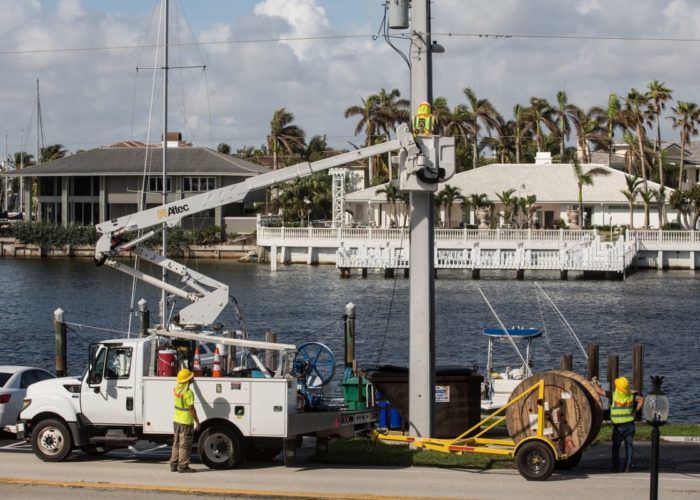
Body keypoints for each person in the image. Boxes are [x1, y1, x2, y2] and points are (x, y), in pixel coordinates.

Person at [595, 376, 644, 472]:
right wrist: (635, 411)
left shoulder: (614, 395)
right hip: (630, 424)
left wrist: (595, 382)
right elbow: (641, 400)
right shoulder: (631, 395)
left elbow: (599, 391)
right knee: (629, 446)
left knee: (616, 446)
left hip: (618, 426)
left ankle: (616, 466)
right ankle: (628, 466)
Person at [170, 368, 200, 473]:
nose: (193, 378)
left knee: (176, 443)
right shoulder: (188, 393)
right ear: (187, 380)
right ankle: (183, 466)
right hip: (186, 422)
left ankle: (173, 464)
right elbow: (191, 409)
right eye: (191, 377)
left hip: (176, 420)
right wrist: (197, 421)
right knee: (185, 444)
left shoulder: (176, 389)